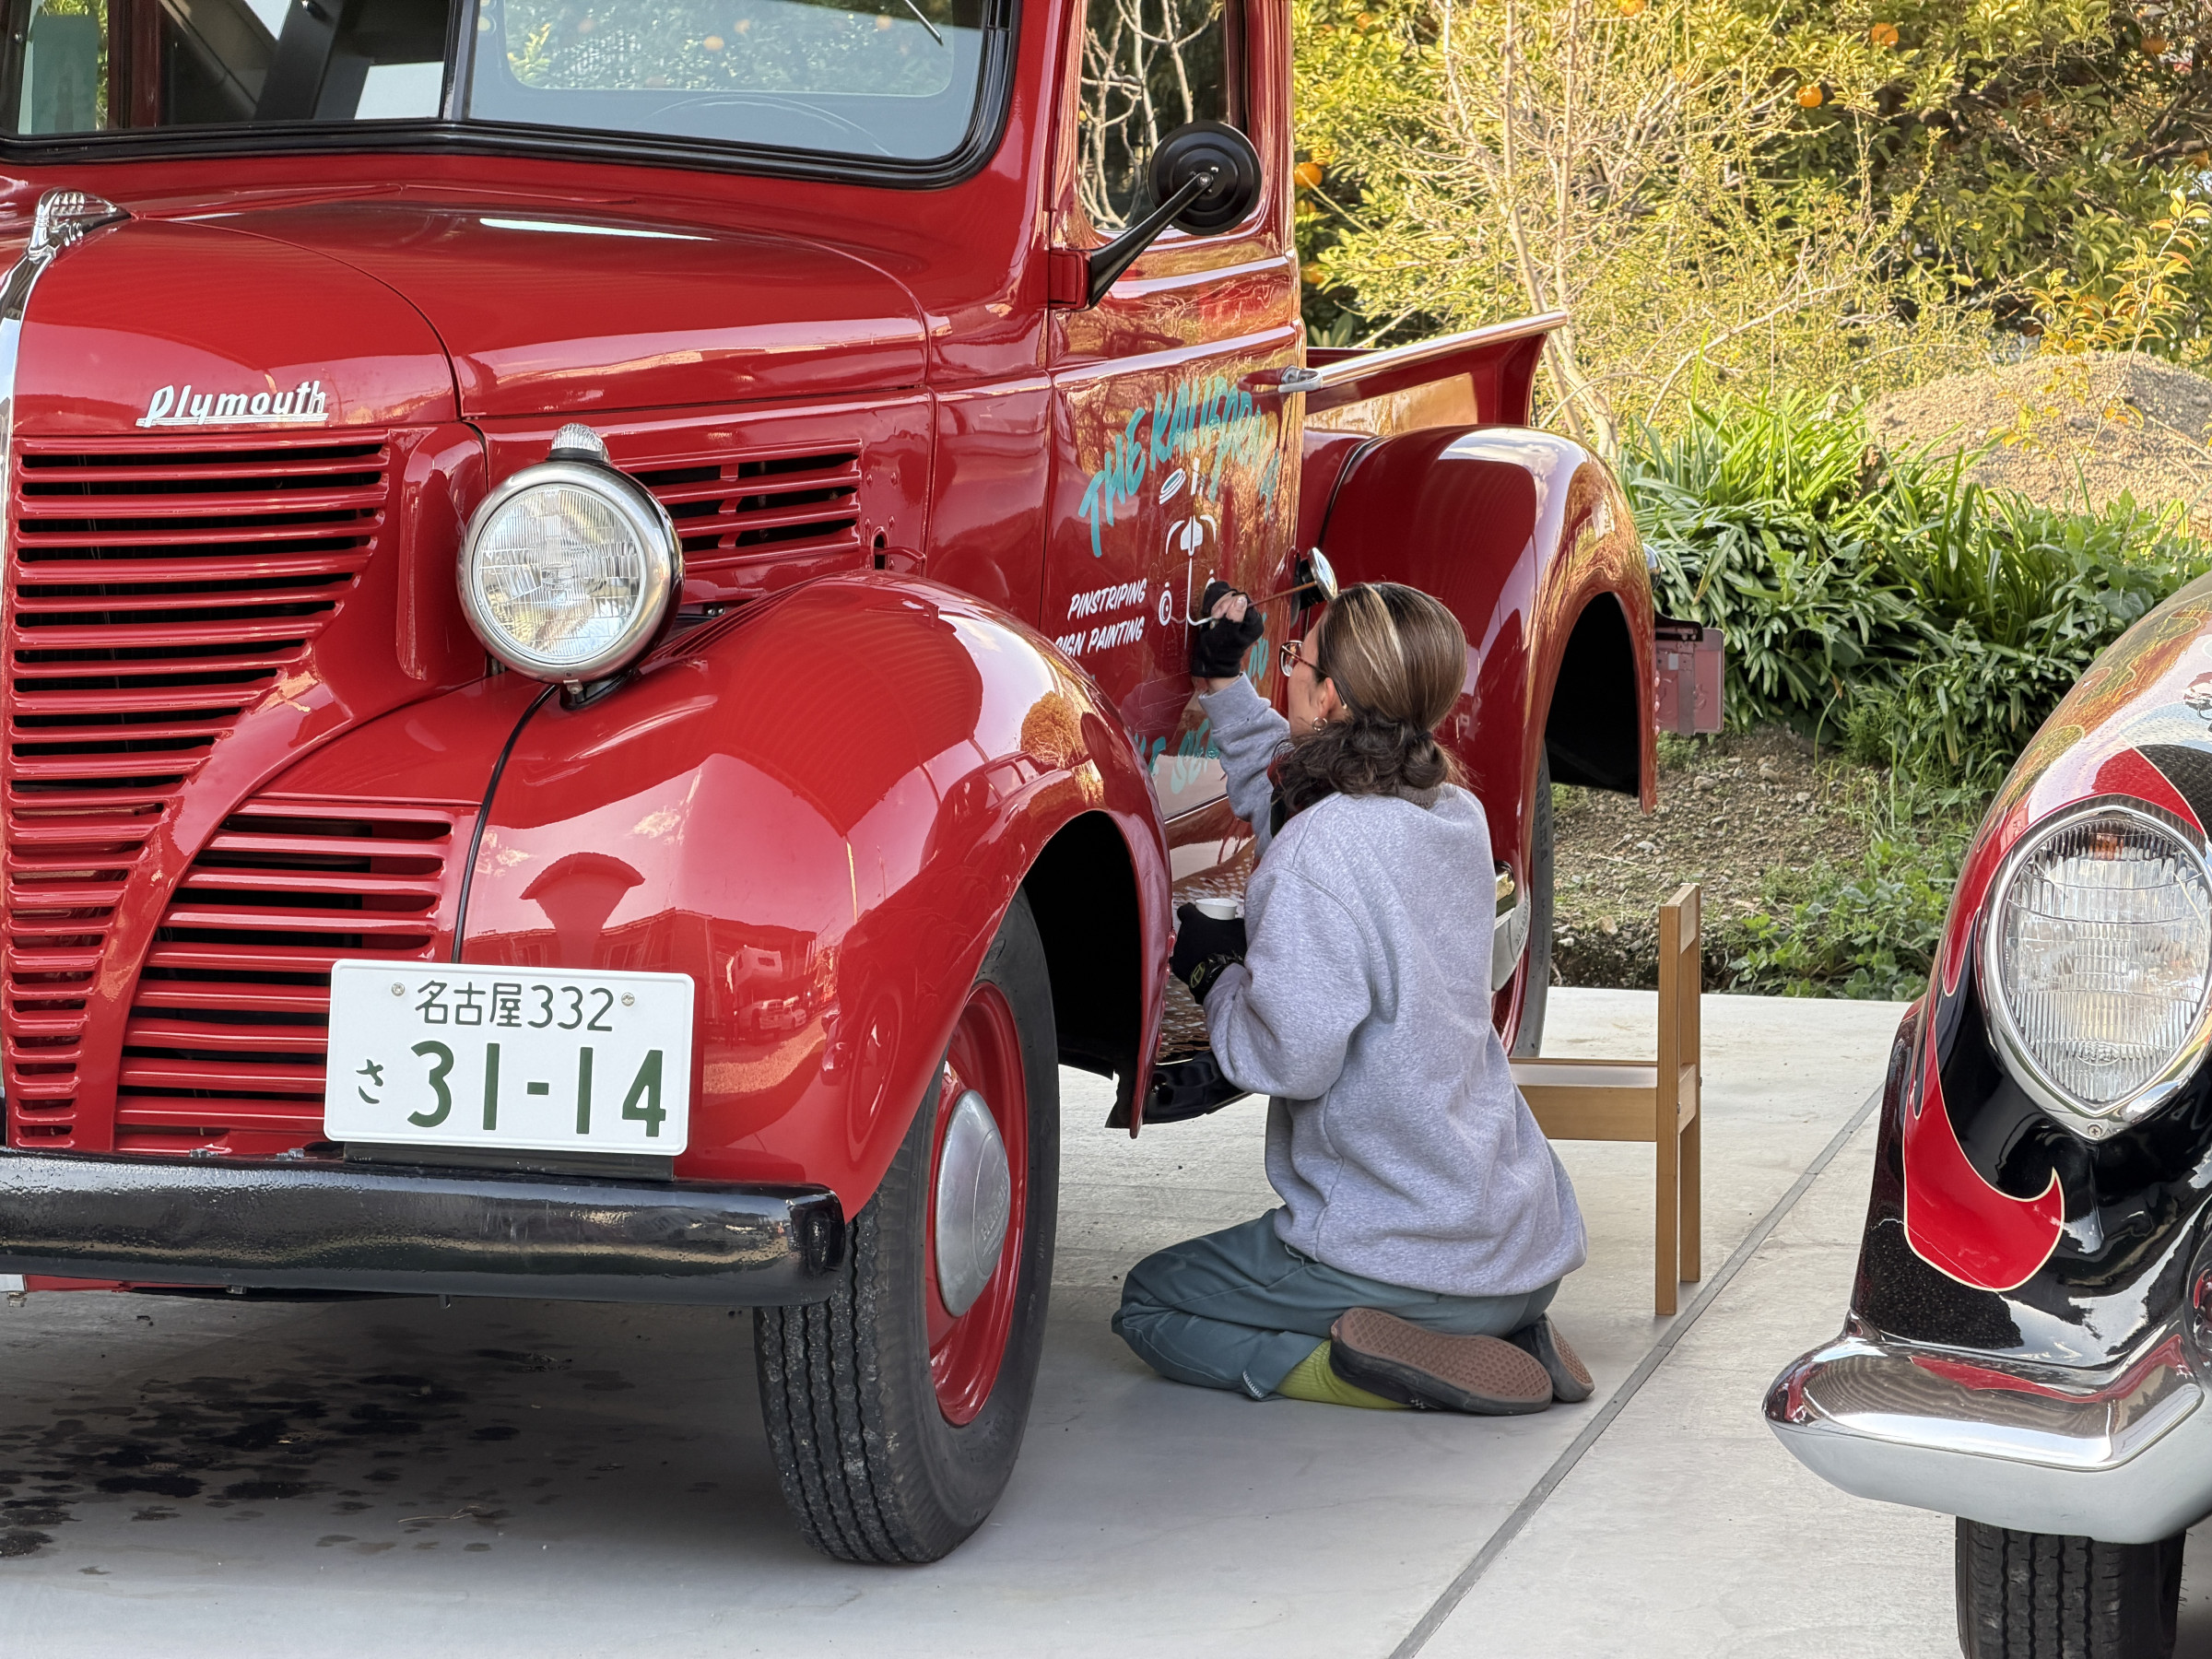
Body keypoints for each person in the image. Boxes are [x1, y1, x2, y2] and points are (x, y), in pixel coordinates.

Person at [1111, 580, 1592, 1413]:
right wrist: (1222, 689)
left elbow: (1288, 1057)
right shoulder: (1455, 816)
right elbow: (1312, 805)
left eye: (1294, 662)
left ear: (1328, 695)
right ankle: (1506, 1332)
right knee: (1468, 1284)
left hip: (1406, 1250)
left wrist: (1216, 975)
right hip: (1520, 1246)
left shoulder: (1319, 853)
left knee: (1150, 1302)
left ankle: (1366, 1369)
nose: (1286, 670)